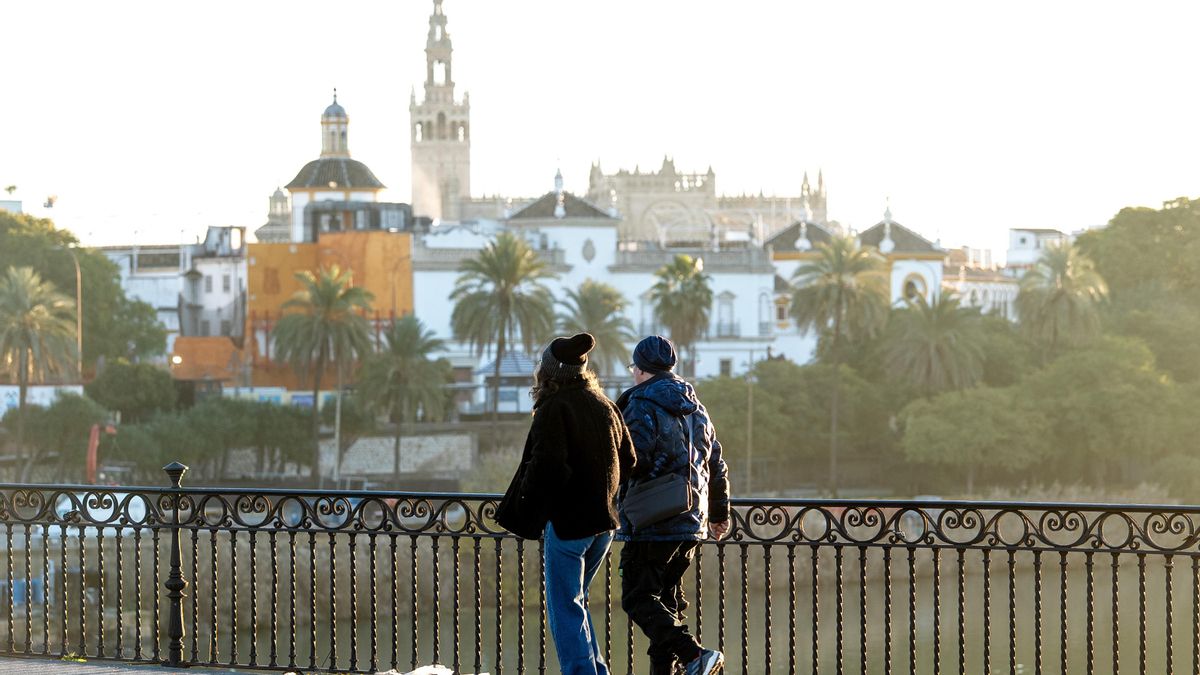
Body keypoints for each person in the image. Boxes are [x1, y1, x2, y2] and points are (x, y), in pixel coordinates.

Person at [495, 332, 637, 675]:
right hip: (604, 524)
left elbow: (548, 468)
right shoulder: (604, 403)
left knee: (564, 606)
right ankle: (596, 670)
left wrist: (527, 511)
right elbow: (629, 459)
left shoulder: (553, 408)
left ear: (548, 372)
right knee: (577, 602)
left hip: (570, 525)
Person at [616, 335, 731, 675]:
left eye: (633, 367)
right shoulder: (697, 407)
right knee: (664, 605)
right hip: (691, 521)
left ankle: (694, 655)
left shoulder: (639, 405)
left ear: (640, 370)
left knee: (637, 598)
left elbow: (632, 458)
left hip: (652, 519)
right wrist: (719, 514)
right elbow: (716, 463)